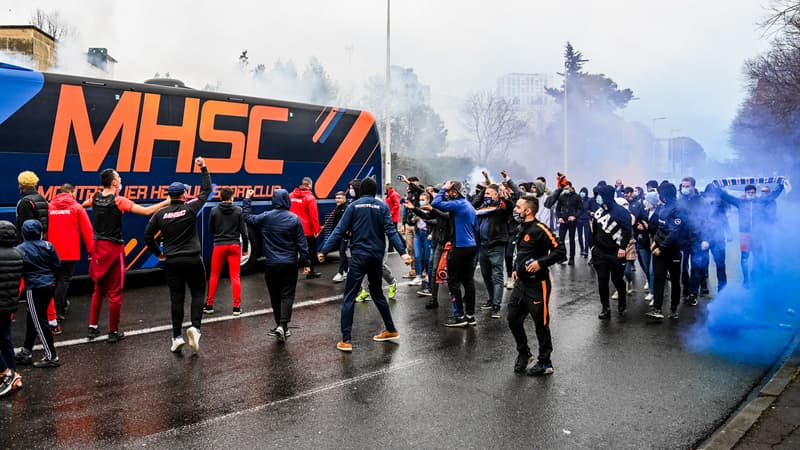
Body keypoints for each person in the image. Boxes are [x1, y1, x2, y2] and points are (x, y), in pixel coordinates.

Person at [318, 177, 412, 352]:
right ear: (375, 190)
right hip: (376, 257)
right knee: (377, 294)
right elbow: (391, 231)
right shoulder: (382, 206)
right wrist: (403, 253)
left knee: (349, 297)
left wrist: (324, 250)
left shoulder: (354, 206)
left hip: (359, 256)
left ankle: (346, 340)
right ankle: (391, 330)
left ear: (360, 190)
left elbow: (339, 230)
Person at [83, 169, 169, 343]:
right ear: (114, 182)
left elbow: (81, 206)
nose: (121, 180)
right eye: (119, 178)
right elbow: (146, 211)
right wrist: (166, 201)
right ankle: (113, 331)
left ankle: (92, 327)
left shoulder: (94, 198)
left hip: (98, 246)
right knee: (115, 292)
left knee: (98, 289)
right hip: (113, 248)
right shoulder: (118, 201)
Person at [144, 157, 212, 353]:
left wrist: (159, 254)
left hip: (172, 261)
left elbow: (148, 236)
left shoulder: (160, 214)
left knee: (177, 298)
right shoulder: (190, 208)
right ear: (184, 195)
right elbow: (206, 191)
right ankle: (196, 329)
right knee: (198, 293)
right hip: (193, 259)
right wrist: (203, 167)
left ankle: (176, 337)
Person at [507, 195, 565, 376]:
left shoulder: (540, 229)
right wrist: (516, 269)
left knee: (541, 323)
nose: (515, 210)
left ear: (528, 210)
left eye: (518, 207)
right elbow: (521, 252)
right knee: (512, 319)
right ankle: (524, 353)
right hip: (521, 284)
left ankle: (545, 362)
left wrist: (541, 263)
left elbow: (560, 250)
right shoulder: (520, 227)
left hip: (537, 285)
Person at [244, 187, 310, 341]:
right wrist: (307, 263)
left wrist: (248, 199)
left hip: (271, 264)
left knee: (275, 296)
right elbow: (302, 244)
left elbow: (247, 217)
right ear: (287, 200)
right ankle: (283, 326)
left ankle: (280, 326)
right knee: (287, 295)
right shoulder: (294, 219)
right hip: (289, 264)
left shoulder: (266, 217)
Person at [431, 180, 479, 327]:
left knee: (453, 282)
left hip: (459, 247)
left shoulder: (457, 204)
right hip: (471, 246)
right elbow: (475, 227)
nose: (447, 193)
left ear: (455, 192)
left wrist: (442, 189)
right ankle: (470, 316)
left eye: (450, 191)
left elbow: (435, 203)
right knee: (468, 281)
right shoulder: (469, 205)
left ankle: (459, 317)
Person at [14, 220, 60, 368]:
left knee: (39, 321)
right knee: (33, 317)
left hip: (33, 287)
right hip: (49, 285)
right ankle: (27, 350)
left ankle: (51, 355)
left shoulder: (20, 249)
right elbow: (57, 265)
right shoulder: (48, 245)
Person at [48, 184, 94, 320]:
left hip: (51, 251)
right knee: (64, 279)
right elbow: (87, 231)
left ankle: (58, 305)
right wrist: (91, 251)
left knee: (54, 279)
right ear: (72, 192)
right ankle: (57, 309)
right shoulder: (77, 208)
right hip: (70, 251)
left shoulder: (49, 207)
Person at [205, 187, 249, 316]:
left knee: (214, 276)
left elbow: (210, 229)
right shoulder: (238, 211)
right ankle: (236, 308)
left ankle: (209, 305)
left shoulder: (214, 211)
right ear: (232, 197)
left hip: (219, 246)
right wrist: (245, 249)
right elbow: (244, 233)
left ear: (220, 197)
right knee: (235, 277)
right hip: (234, 246)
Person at [591, 185, 631, 319]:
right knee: (602, 281)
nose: (597, 198)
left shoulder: (621, 212)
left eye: (600, 195)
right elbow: (594, 230)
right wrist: (593, 247)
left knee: (617, 279)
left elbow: (627, 231)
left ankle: (622, 301)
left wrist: (622, 248)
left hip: (616, 252)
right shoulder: (599, 211)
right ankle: (605, 308)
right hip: (600, 252)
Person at [473, 183, 513, 318]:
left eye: (489, 193)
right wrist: (484, 190)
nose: (486, 196)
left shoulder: (501, 207)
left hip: (496, 246)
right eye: (485, 194)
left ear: (497, 195)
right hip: (483, 246)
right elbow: (473, 204)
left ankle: (496, 306)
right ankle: (491, 300)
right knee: (486, 275)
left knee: (497, 276)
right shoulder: (483, 208)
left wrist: (505, 197)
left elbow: (510, 208)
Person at [646, 183, 684, 321]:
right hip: (659, 250)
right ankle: (657, 308)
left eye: (661, 193)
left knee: (674, 280)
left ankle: (674, 309)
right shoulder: (662, 208)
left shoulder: (678, 209)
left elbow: (674, 233)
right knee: (658, 278)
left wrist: (661, 248)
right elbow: (660, 228)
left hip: (673, 251)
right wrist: (655, 242)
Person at [0, 221, 24, 396]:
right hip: (8, 305)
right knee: (5, 339)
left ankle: (7, 374)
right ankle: (15, 374)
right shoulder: (18, 254)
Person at [545, 178, 582, 265]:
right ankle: (563, 257)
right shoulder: (561, 197)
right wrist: (559, 217)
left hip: (572, 221)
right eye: (564, 188)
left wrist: (575, 216)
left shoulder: (576, 197)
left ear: (570, 187)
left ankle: (571, 258)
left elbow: (581, 209)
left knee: (572, 239)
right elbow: (558, 209)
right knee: (561, 240)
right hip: (563, 221)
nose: (565, 189)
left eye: (566, 187)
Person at [290, 177, 321, 278]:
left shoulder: (291, 196)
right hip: (306, 231)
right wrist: (316, 230)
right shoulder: (310, 198)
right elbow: (314, 216)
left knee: (293, 251)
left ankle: (292, 273)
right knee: (309, 251)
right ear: (310, 185)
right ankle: (310, 272)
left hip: (293, 229)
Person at [15, 170, 48, 243]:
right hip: (41, 241)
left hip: (29, 244)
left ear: (21, 185)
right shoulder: (42, 198)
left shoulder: (25, 202)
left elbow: (25, 226)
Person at [331, 191, 350, 282]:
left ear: (344, 198)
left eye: (339, 198)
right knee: (343, 253)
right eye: (336, 198)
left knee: (343, 253)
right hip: (340, 235)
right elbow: (335, 223)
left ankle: (341, 273)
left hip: (346, 235)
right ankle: (346, 271)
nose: (337, 200)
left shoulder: (347, 208)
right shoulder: (338, 208)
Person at [385, 183, 401, 252]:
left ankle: (392, 247)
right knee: (393, 232)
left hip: (393, 217)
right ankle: (391, 248)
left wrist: (391, 213)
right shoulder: (389, 194)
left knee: (392, 232)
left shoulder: (393, 194)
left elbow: (397, 205)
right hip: (391, 216)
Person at [576, 187, 592, 257]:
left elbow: (590, 209)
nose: (582, 193)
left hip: (586, 219)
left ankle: (586, 250)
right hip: (579, 220)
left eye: (584, 192)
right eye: (581, 192)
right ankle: (581, 249)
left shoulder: (589, 200)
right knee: (579, 235)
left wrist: (589, 213)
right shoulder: (577, 200)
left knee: (586, 236)